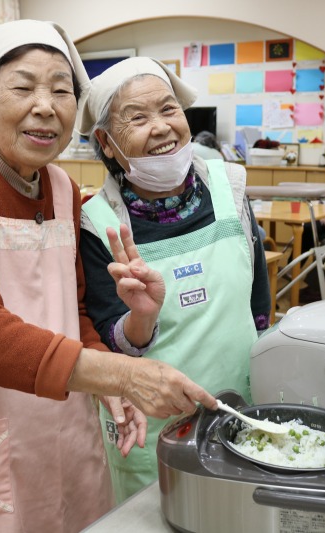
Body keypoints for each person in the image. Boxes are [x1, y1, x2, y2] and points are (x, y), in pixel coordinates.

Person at [0, 20, 217, 533]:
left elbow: (75, 312)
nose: (45, 105)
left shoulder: (65, 190)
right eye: (23, 87)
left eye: (62, 90)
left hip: (64, 432)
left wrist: (110, 386)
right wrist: (124, 375)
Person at [78, 57, 272, 502]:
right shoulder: (96, 222)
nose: (162, 127)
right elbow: (110, 344)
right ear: (107, 143)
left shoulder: (231, 189)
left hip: (241, 411)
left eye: (169, 109)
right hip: (153, 431)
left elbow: (258, 306)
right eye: (138, 118)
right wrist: (140, 319)